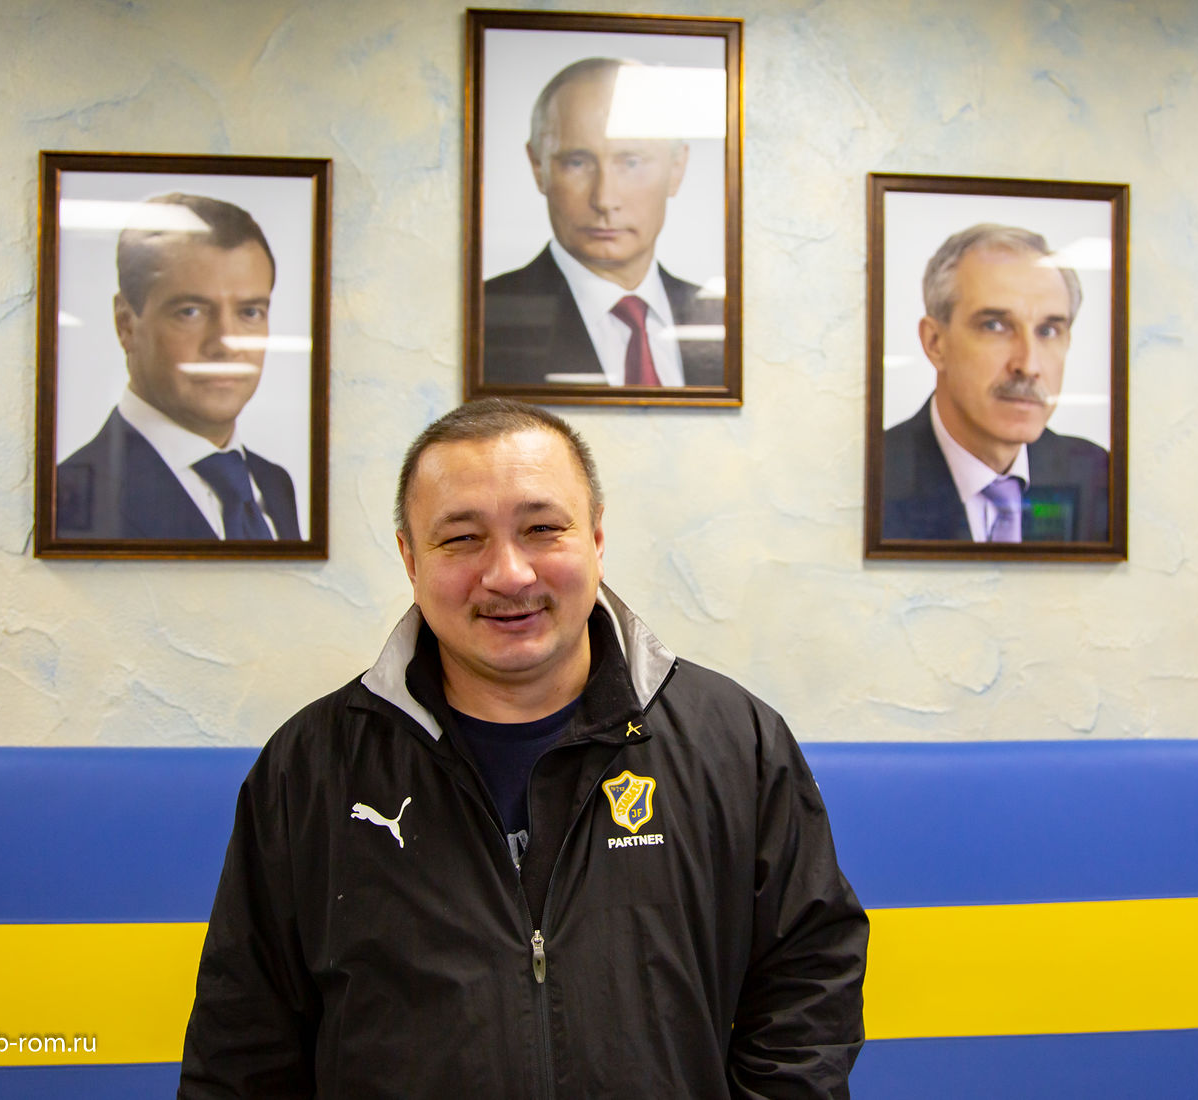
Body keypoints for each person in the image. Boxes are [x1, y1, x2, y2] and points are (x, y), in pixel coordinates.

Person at [179, 398, 867, 1098]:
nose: (509, 574)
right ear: (410, 559)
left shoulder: (735, 745)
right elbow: (242, 1047)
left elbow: (809, 990)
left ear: (595, 538)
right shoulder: (309, 770)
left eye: (542, 529)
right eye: (461, 538)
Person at [55, 192, 301, 541]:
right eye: (190, 311)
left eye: (250, 312)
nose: (226, 344)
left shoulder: (274, 484)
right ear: (126, 324)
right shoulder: (71, 499)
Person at [483, 57, 725, 388]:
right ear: (538, 167)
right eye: (577, 162)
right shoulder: (480, 320)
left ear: (676, 168)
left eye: (631, 162)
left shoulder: (727, 321)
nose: (604, 199)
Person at [881, 223, 1110, 542]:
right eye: (994, 326)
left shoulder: (1100, 478)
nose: (1028, 365)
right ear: (935, 343)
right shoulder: (869, 478)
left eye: (1047, 331)